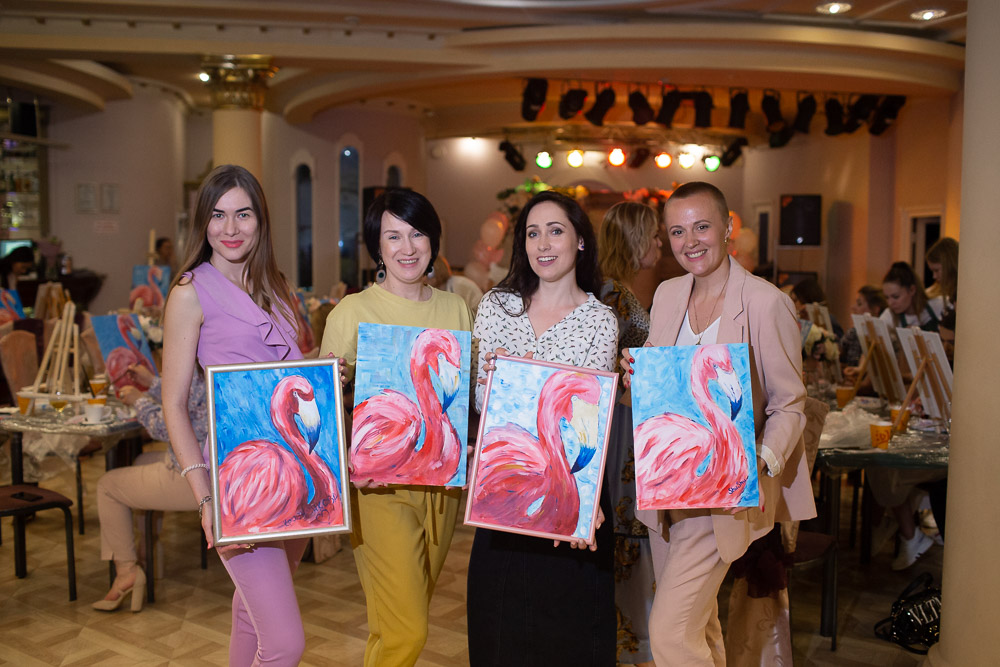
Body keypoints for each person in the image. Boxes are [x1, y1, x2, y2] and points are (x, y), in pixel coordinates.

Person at [622, 182, 814, 666]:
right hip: (668, 488)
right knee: (699, 624)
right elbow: (662, 392)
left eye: (702, 227)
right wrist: (635, 378)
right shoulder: (667, 294)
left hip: (724, 496)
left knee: (668, 631)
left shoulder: (766, 302)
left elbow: (790, 403)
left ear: (727, 227)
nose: (690, 242)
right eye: (677, 231)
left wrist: (758, 464)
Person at [162, 164, 311, 665]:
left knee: (253, 616)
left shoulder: (276, 286)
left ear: (260, 220)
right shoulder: (189, 293)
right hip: (239, 484)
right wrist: (204, 497)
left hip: (295, 475)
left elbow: (291, 376)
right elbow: (172, 403)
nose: (230, 228)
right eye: (218, 215)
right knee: (285, 643)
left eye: (243, 214)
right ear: (202, 222)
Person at [320, 188, 472, 667]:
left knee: (394, 623)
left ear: (433, 241)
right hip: (378, 488)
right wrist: (335, 384)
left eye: (417, 233)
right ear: (377, 246)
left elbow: (463, 396)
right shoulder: (351, 312)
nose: (407, 247)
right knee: (408, 629)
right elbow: (323, 409)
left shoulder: (456, 309)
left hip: (442, 486)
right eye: (393, 236)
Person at [467, 190, 618, 666]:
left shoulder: (600, 320)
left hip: (570, 484)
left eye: (556, 231)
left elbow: (591, 419)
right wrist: (495, 386)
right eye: (533, 233)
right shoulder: (496, 307)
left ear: (580, 241)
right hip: (505, 487)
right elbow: (481, 403)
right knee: (500, 632)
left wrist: (586, 500)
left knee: (567, 636)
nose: (544, 243)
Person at [596, 200, 661, 667]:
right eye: (654, 235)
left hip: (631, 422)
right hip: (622, 425)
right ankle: (631, 644)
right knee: (627, 527)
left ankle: (634, 641)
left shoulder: (621, 290)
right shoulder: (613, 293)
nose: (660, 243)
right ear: (636, 240)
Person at [92, 363, 206, 612]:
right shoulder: (212, 365)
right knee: (141, 461)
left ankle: (127, 573)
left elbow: (165, 427)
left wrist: (139, 400)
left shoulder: (198, 371)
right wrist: (152, 382)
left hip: (197, 479)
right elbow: (190, 400)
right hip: (211, 468)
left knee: (107, 486)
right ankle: (148, 550)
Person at [880, 261, 944, 332]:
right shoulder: (888, 316)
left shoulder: (939, 305)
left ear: (912, 290)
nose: (890, 303)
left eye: (896, 297)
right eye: (887, 297)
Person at [839, 285, 887, 367]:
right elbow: (840, 357)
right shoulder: (853, 333)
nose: (853, 307)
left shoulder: (885, 337)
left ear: (876, 309)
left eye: (859, 304)